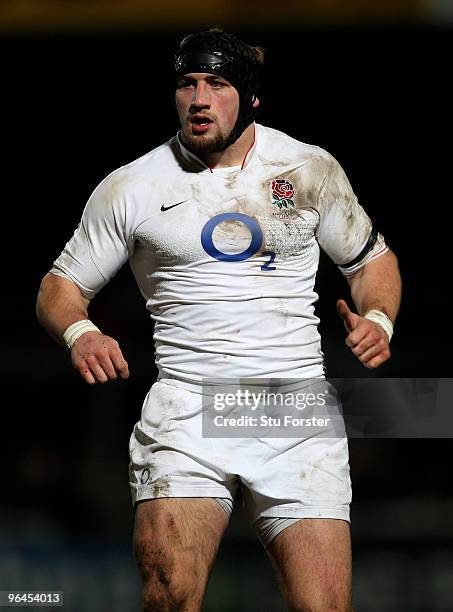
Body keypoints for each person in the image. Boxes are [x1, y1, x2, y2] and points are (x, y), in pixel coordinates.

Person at [36, 28, 401, 612]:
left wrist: (378, 318)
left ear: (250, 97)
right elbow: (60, 287)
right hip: (189, 408)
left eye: (217, 83)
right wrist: (80, 331)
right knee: (170, 595)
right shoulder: (132, 186)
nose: (199, 98)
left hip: (295, 409)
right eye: (187, 83)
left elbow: (372, 262)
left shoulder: (308, 169)